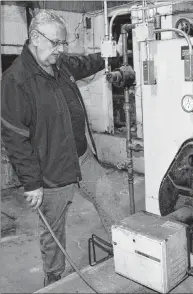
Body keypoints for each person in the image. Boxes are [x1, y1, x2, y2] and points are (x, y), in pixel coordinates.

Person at [1, 10, 126, 286]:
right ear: (35, 37)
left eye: (63, 43)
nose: (61, 49)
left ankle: (128, 251)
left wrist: (109, 55)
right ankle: (54, 277)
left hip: (82, 158)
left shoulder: (60, 63)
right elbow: (14, 137)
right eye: (56, 42)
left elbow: (84, 63)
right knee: (52, 227)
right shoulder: (15, 81)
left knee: (108, 197)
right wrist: (31, 183)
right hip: (50, 170)